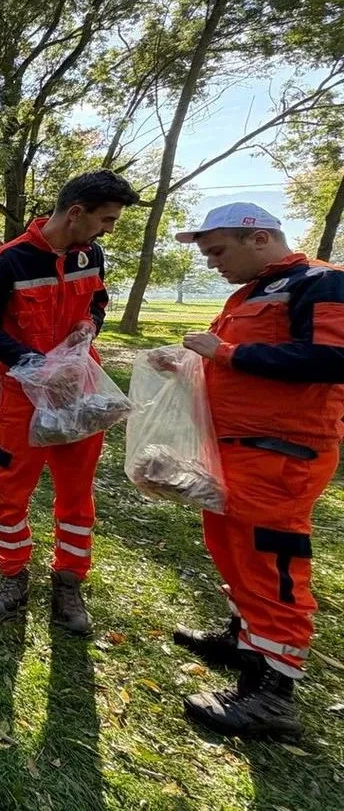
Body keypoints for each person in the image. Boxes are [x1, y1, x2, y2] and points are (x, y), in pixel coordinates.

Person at [166, 203, 344, 737]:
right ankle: (244, 637)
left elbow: (332, 359)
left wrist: (225, 354)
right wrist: (192, 364)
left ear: (259, 237)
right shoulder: (249, 293)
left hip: (281, 453)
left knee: (270, 565)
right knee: (231, 549)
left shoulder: (321, 283)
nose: (212, 263)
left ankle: (271, 693)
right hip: (235, 450)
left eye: (218, 251)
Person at [0, 169, 139, 633]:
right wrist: (37, 366)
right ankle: (12, 575)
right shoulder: (7, 262)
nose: (108, 230)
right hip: (24, 399)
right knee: (12, 490)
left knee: (78, 492)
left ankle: (69, 581)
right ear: (76, 213)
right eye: (106, 220)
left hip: (81, 394)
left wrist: (90, 325)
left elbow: (97, 303)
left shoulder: (91, 255)